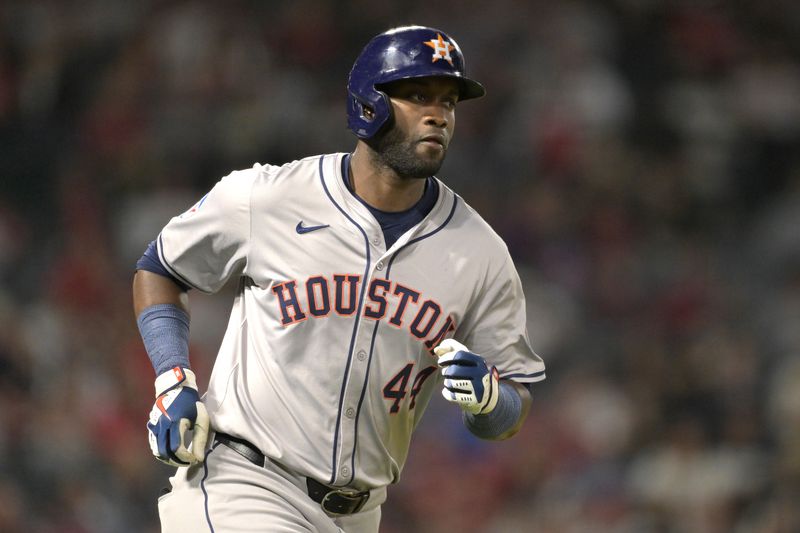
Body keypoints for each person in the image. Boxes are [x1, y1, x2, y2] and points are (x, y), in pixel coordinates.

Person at [132, 25, 546, 532]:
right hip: (245, 483)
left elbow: (513, 406)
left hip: (359, 515)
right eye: (419, 96)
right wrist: (172, 379)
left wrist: (490, 401)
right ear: (368, 104)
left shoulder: (480, 254)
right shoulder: (269, 198)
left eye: (450, 102)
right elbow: (161, 268)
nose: (440, 115)